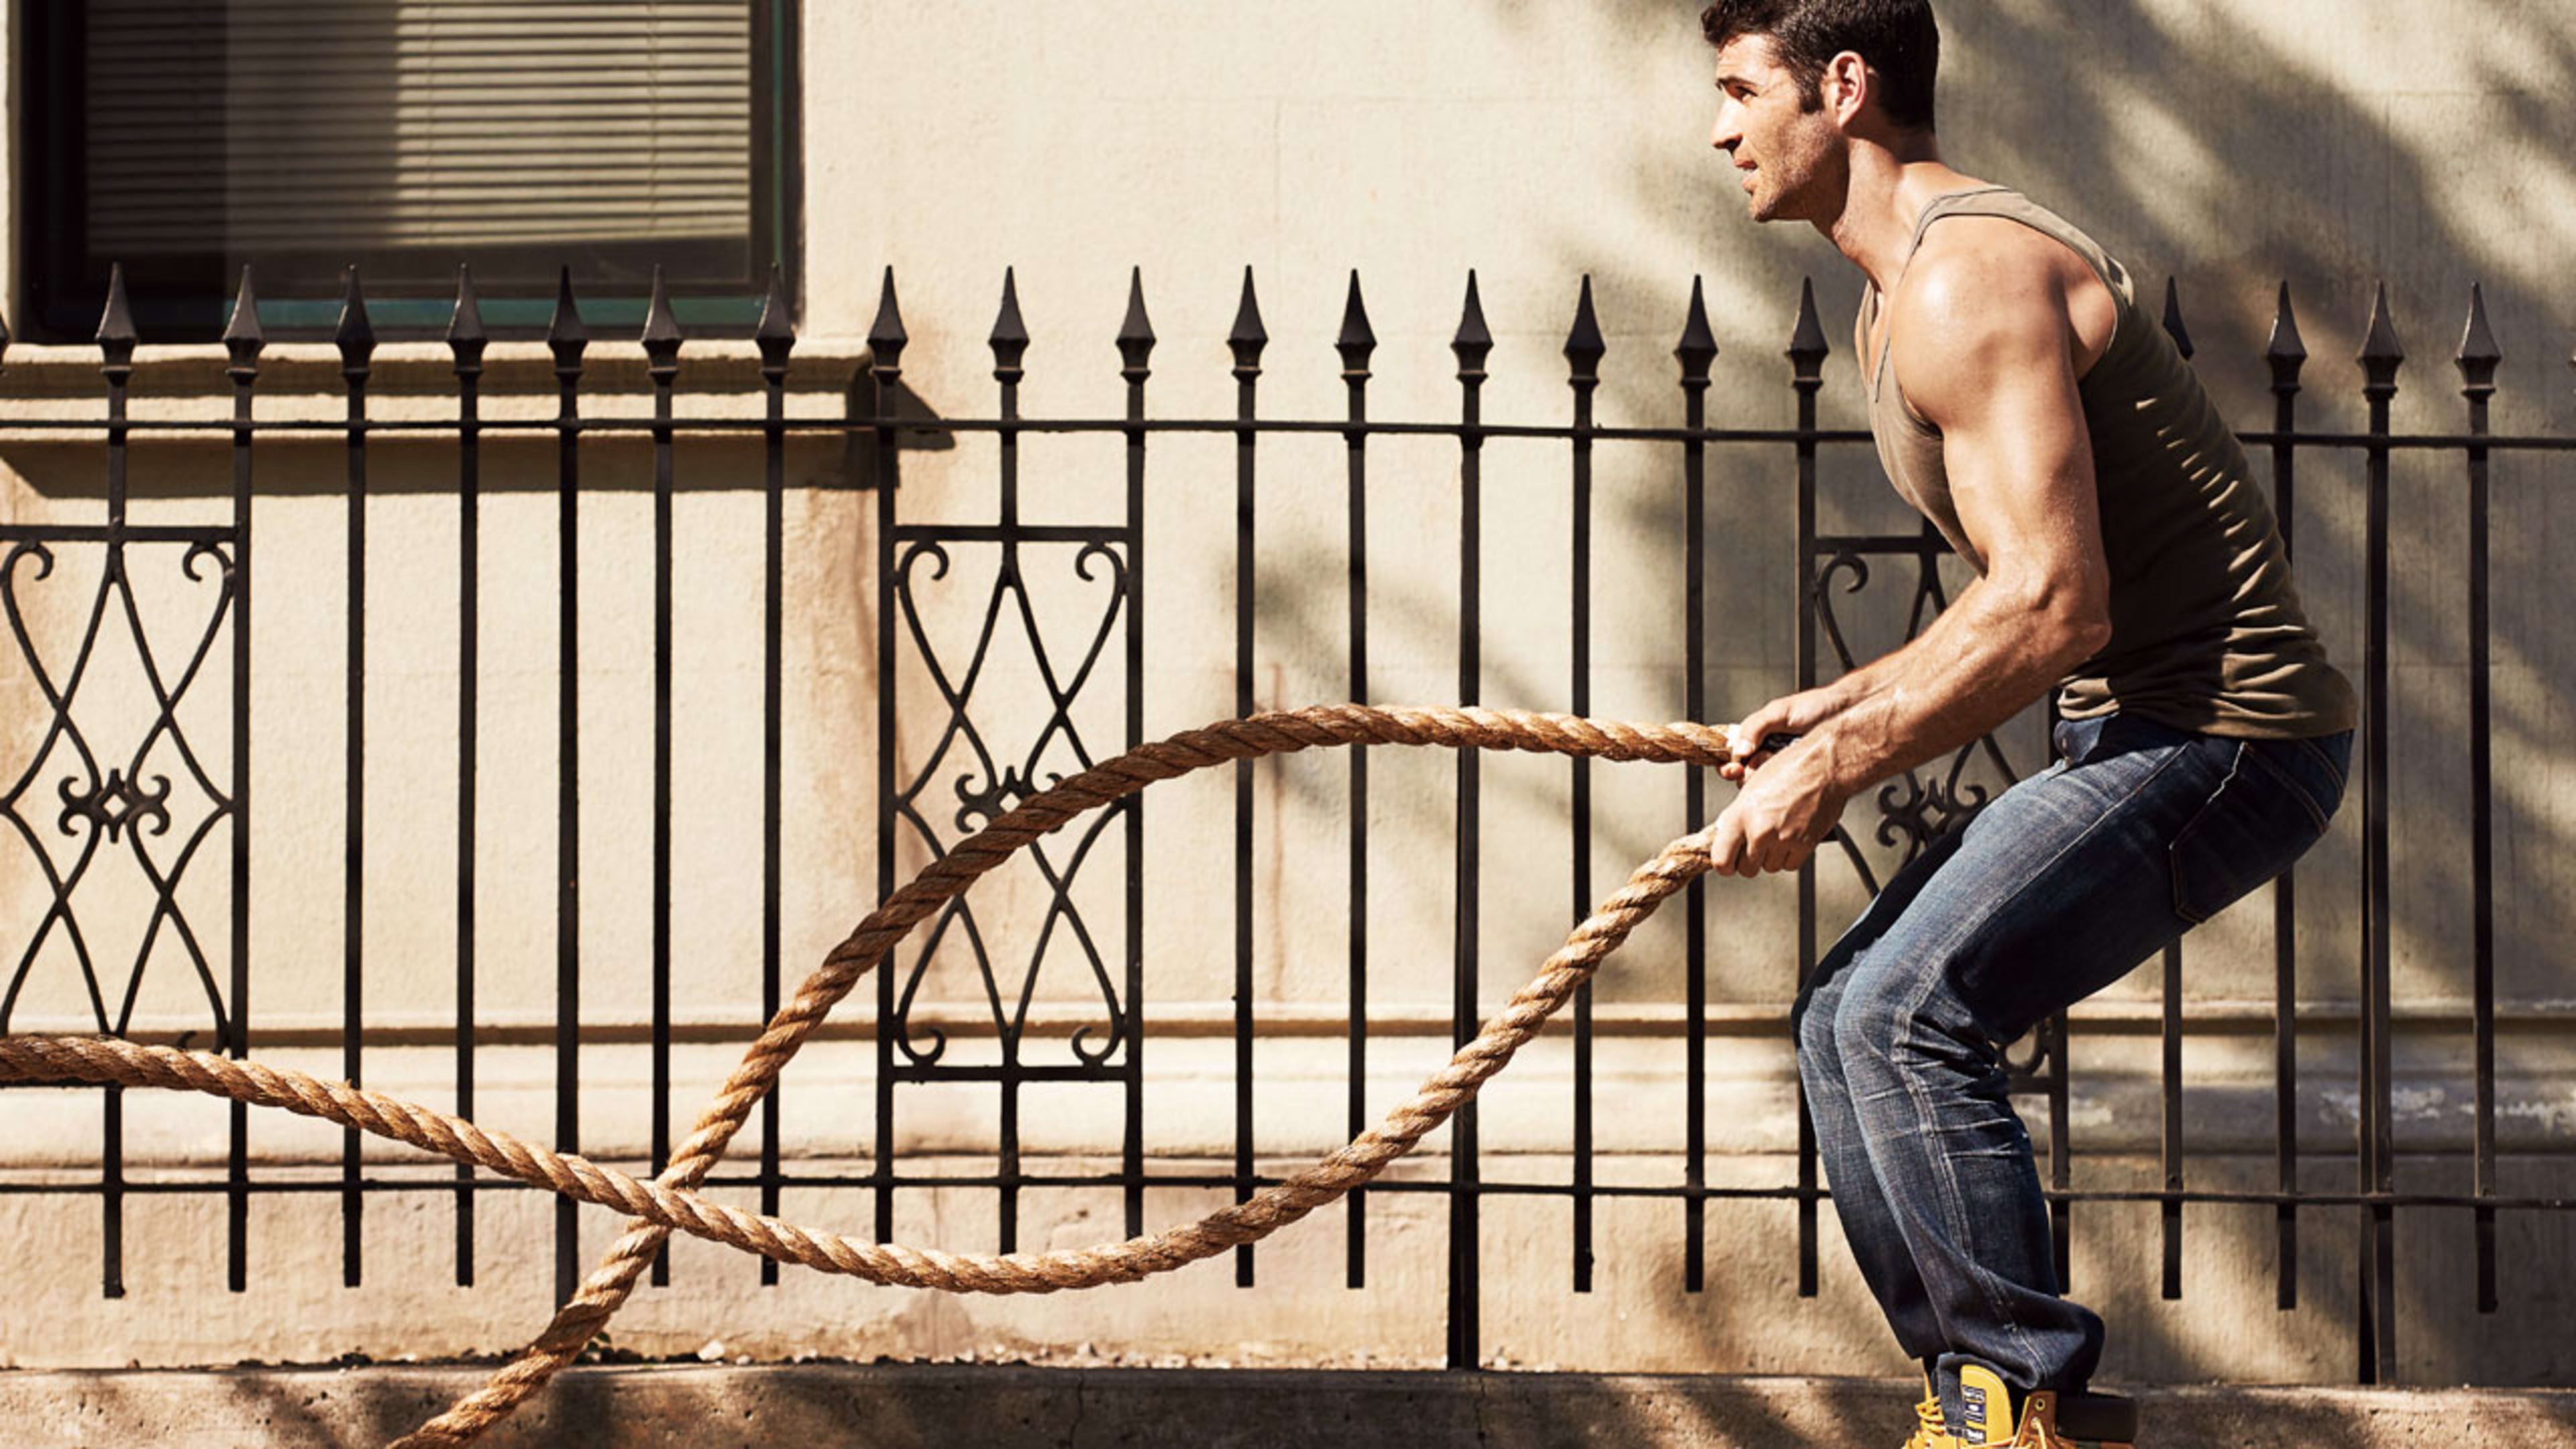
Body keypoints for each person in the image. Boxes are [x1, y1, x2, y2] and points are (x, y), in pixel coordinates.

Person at [1694, 2, 2359, 1446]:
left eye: (1745, 91)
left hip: (2230, 735)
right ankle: (1989, 1400)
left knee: (1902, 1013)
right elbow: (2029, 588)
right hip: (2147, 723)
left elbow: (2059, 611)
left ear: (1846, 87)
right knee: (1845, 1019)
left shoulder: (1966, 281)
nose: (1722, 129)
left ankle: (2011, 1404)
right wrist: (1843, 699)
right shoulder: (1899, 290)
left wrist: (1831, 768)